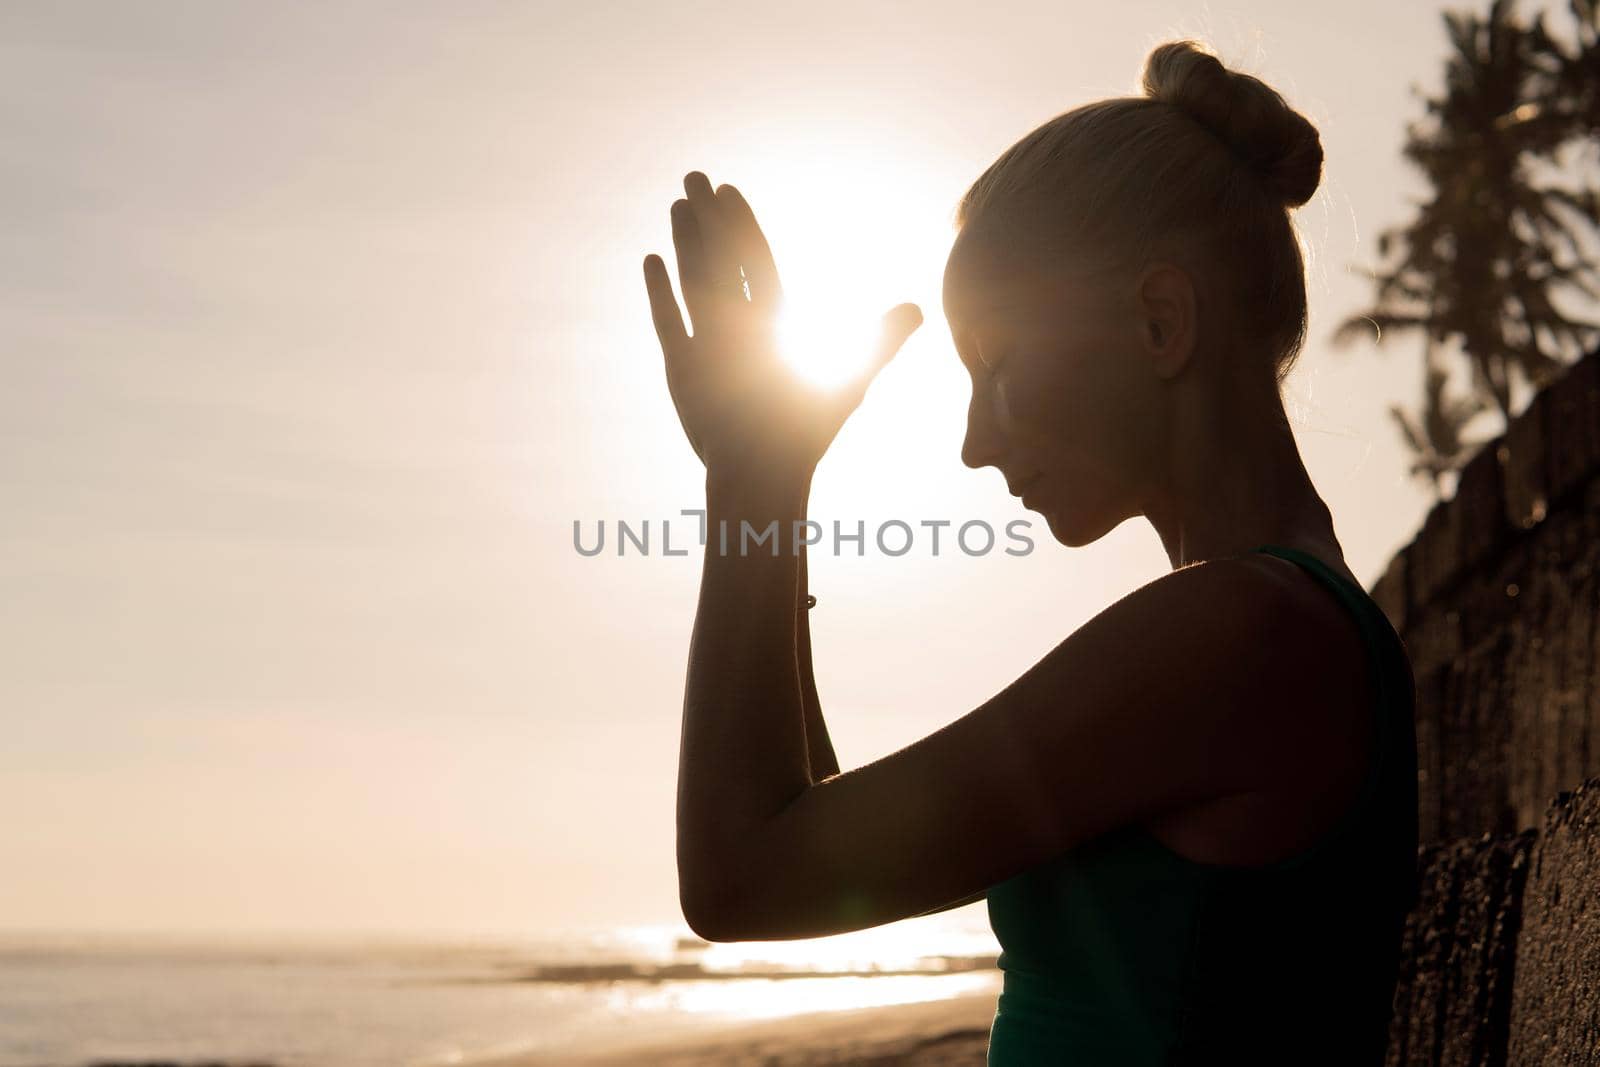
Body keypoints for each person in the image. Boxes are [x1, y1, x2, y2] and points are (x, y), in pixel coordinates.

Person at [641, 38, 1419, 1065]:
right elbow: (834, 857)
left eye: (996, 367)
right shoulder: (1274, 624)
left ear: (1158, 321)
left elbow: (742, 876)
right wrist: (771, 498)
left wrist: (752, 485)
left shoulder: (1240, 634)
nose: (974, 441)